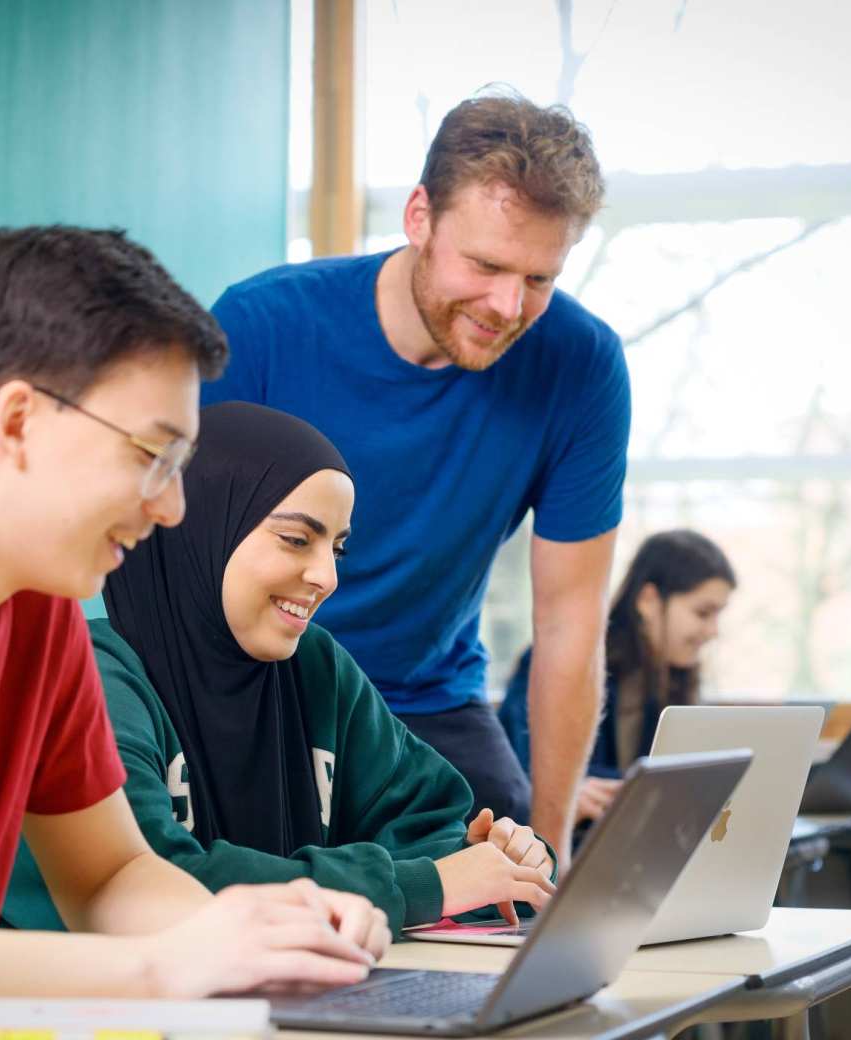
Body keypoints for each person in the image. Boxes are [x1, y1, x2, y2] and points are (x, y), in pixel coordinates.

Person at [0, 226, 390, 1014]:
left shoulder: (38, 614)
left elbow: (108, 875)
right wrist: (158, 970)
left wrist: (250, 935)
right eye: (152, 456)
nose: (173, 508)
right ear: (17, 420)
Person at [203, 87, 631, 866]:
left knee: (516, 903)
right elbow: (174, 561)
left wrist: (557, 845)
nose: (508, 305)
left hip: (429, 704)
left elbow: (570, 622)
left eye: (539, 279)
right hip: (256, 687)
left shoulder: (581, 365)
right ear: (419, 218)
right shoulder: (260, 326)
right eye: (487, 265)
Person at [3, 402, 556, 940]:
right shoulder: (88, 678)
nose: (326, 576)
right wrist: (420, 882)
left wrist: (490, 861)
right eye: (296, 539)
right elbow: (154, 884)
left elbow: (431, 826)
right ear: (199, 531)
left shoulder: (314, 667)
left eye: (337, 548)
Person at [499, 529, 736, 824]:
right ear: (649, 600)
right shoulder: (561, 664)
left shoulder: (673, 680)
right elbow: (520, 773)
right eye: (703, 613)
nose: (713, 631)